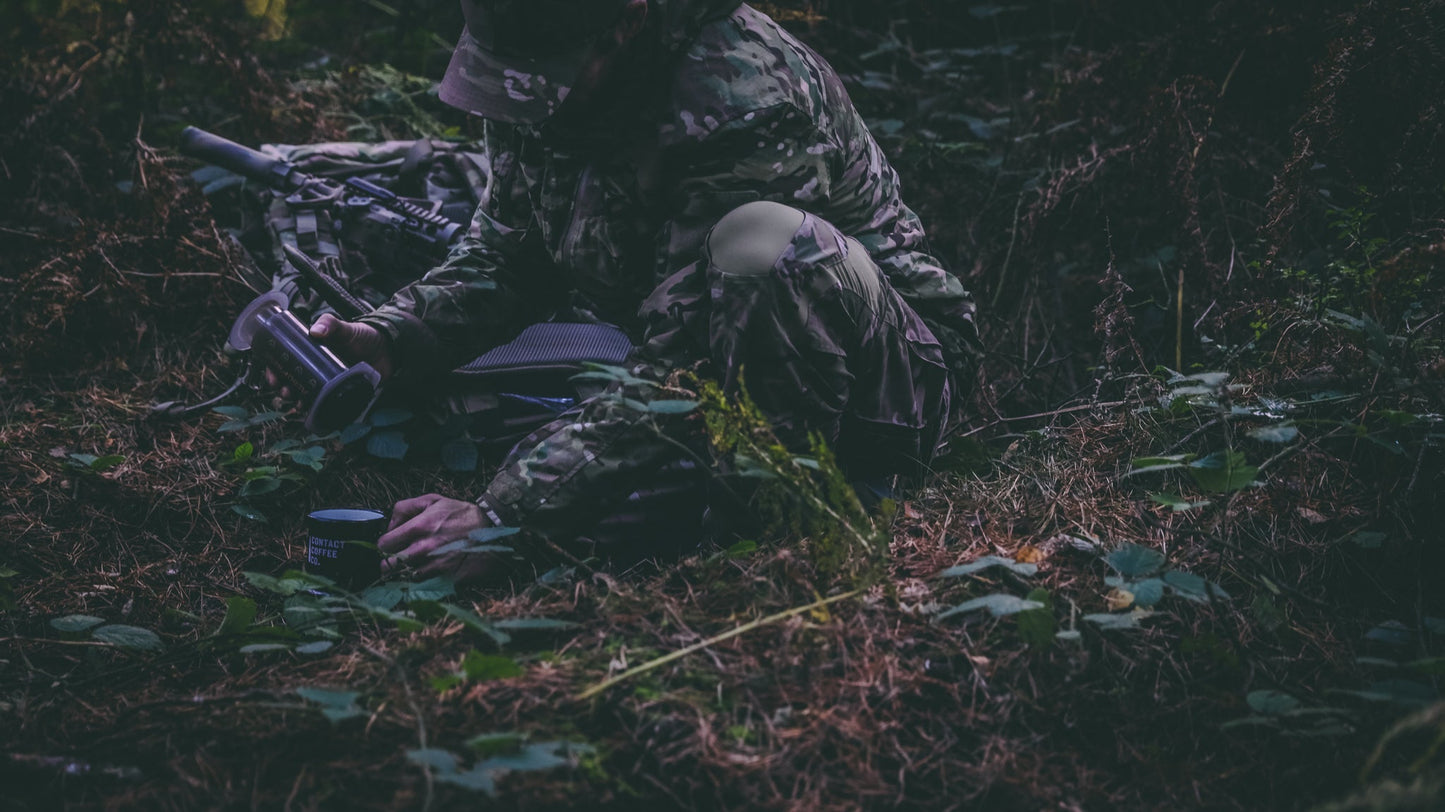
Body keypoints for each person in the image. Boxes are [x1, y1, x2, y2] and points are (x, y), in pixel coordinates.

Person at [307, 0, 979, 579]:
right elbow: (508, 254)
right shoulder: (541, 72)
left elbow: (686, 359)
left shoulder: (742, 100)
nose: (532, 104)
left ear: (627, 22)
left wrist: (503, 514)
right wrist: (392, 336)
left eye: (548, 77)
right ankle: (692, 493)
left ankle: (785, 521)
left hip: (889, 382)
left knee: (766, 243)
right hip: (694, 364)